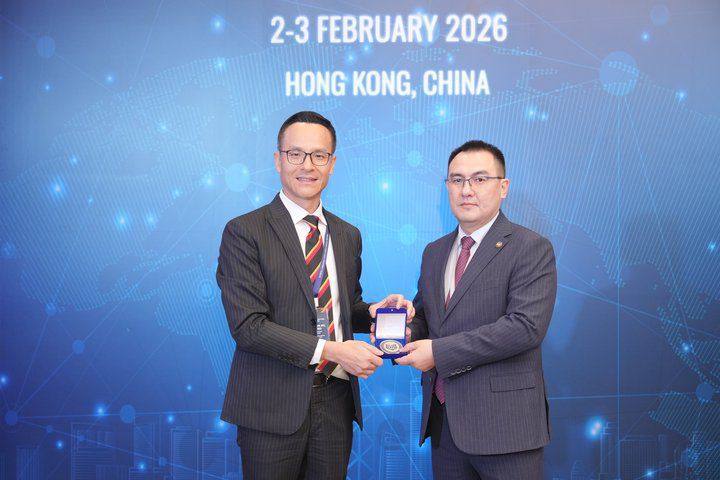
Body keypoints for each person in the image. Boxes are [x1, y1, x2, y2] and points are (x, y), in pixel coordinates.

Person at [216, 111, 414, 479]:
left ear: (332, 164)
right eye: (296, 154)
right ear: (278, 160)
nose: (307, 165)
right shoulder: (245, 231)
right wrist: (334, 351)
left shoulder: (347, 234)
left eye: (319, 155)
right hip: (271, 406)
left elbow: (343, 307)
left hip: (335, 402)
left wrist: (375, 311)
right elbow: (249, 328)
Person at [396, 140, 557, 479]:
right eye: (457, 180)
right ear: (447, 187)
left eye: (479, 179)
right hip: (445, 425)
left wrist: (437, 353)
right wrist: (403, 328)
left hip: (507, 429)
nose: (466, 190)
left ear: (503, 187)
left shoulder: (530, 247)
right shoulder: (434, 252)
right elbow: (429, 320)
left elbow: (525, 328)